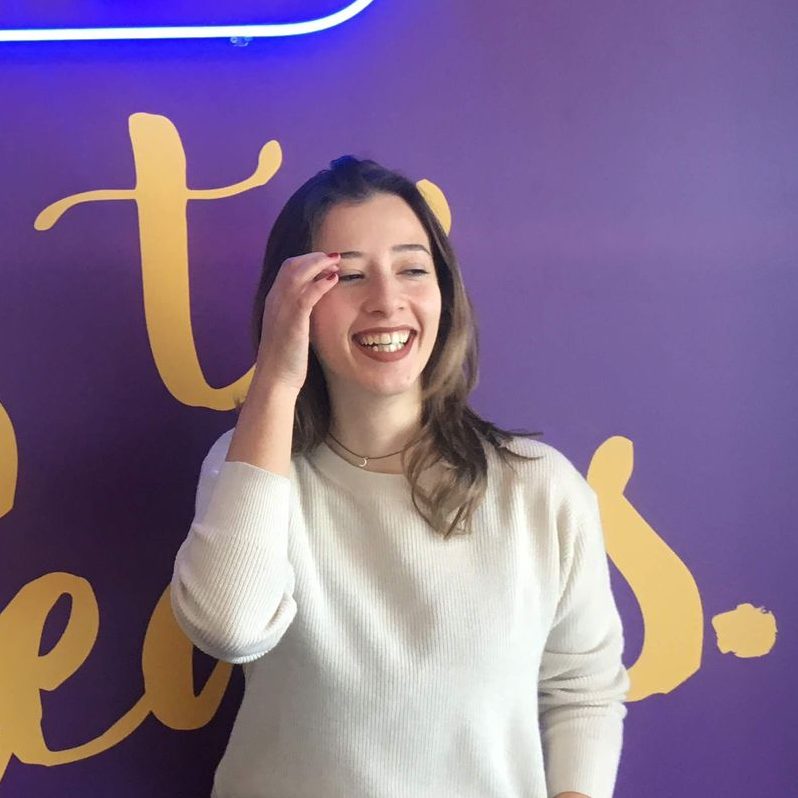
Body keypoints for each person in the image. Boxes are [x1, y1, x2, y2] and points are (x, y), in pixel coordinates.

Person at [170, 156, 629, 798]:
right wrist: (275, 376)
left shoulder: (538, 488)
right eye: (348, 276)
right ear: (292, 303)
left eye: (413, 270)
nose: (387, 302)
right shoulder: (253, 469)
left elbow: (583, 687)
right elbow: (227, 627)